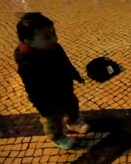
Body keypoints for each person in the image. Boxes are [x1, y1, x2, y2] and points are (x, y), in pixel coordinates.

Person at [14, 13, 90, 149]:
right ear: (28, 41)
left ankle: (72, 122)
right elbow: (32, 88)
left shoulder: (54, 48)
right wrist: (43, 107)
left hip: (65, 89)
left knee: (72, 105)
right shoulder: (28, 63)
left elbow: (65, 62)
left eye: (54, 33)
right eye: (47, 37)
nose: (54, 39)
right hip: (48, 100)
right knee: (52, 120)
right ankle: (57, 137)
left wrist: (74, 74)